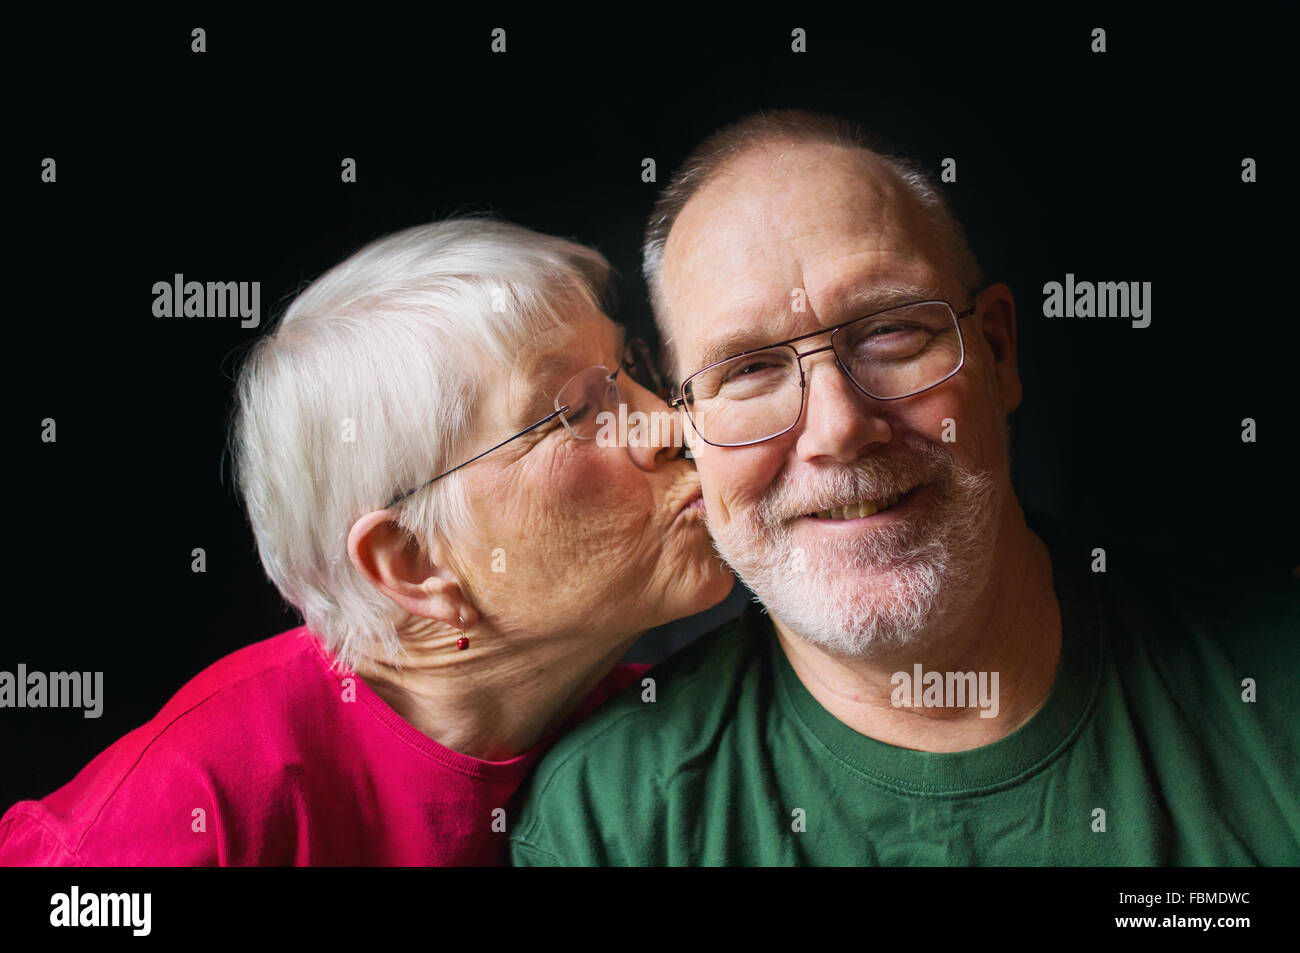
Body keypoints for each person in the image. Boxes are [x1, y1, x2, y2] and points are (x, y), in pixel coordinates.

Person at [510, 111, 1299, 865]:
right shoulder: (606, 829)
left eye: (891, 331)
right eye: (748, 369)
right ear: (687, 427)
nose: (839, 428)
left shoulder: (1276, 688)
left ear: (997, 351)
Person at [0, 217, 733, 865]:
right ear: (414, 564)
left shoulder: (678, 728)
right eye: (572, 411)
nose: (671, 422)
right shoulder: (187, 814)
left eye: (631, 371)